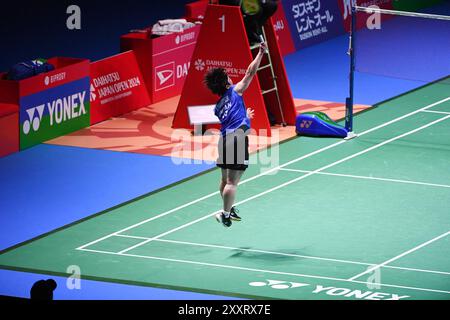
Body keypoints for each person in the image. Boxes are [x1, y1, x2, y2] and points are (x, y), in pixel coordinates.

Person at [204, 41, 267, 227]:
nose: (231, 77)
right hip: (236, 140)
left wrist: (245, 116)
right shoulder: (235, 91)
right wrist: (261, 53)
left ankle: (228, 210)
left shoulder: (218, 107)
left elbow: (231, 119)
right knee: (232, 182)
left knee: (225, 179)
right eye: (228, 76)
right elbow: (250, 72)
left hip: (223, 140)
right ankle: (224, 214)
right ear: (226, 83)